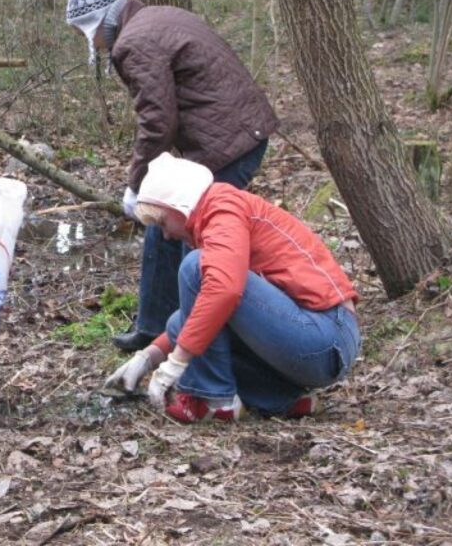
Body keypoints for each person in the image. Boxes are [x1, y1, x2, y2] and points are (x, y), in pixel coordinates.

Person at [64, 0, 279, 352]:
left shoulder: (133, 42)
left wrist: (135, 184)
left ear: (97, 24)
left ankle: (197, 347)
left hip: (229, 143)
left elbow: (157, 122)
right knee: (161, 220)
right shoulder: (156, 17)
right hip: (236, 134)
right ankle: (154, 328)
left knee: (194, 246)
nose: (93, 45)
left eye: (87, 35)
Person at [104, 152, 361, 423]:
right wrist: (148, 358)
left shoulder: (222, 207)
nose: (166, 234)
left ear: (179, 205)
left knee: (197, 269)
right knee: (179, 323)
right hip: (321, 342)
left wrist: (177, 362)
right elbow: (200, 314)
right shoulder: (218, 209)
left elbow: (224, 289)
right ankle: (282, 398)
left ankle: (214, 400)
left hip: (327, 337)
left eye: (163, 223)